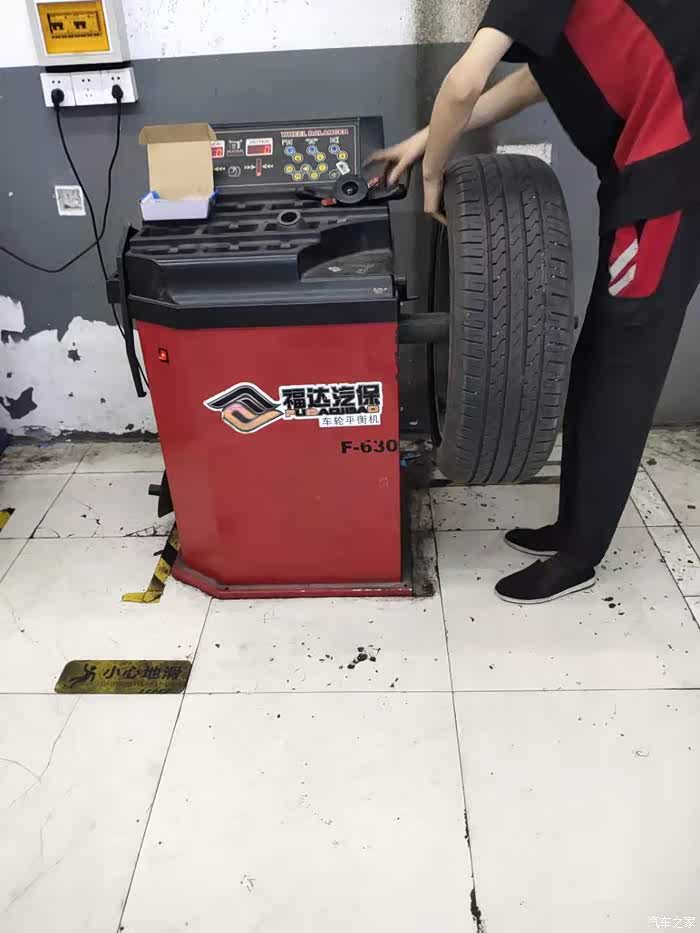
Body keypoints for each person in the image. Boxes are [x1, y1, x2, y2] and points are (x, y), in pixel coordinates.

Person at [370, 0, 700, 604]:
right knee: (599, 357)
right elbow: (531, 82)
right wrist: (426, 140)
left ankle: (579, 557)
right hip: (658, 172)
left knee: (621, 368)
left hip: (673, 176)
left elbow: (465, 83)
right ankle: (573, 529)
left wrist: (434, 174)